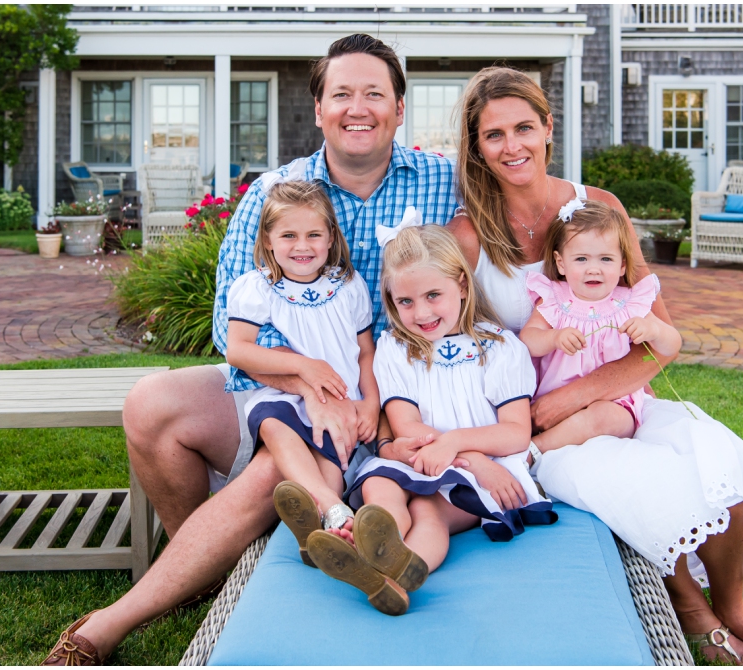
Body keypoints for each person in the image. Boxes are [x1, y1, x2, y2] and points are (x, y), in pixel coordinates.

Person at [43, 34, 456, 665]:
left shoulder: (444, 183)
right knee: (152, 403)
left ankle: (110, 623)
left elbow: (528, 197)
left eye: (375, 93)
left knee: (276, 465)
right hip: (287, 384)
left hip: (394, 398)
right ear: (317, 108)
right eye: (341, 93)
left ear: (400, 108)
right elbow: (228, 328)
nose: (358, 107)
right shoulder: (275, 194)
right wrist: (309, 388)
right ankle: (206, 564)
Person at [446, 66, 743, 666]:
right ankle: (694, 611)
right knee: (650, 490)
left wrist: (578, 401)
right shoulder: (468, 236)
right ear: (477, 147)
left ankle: (736, 609)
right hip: (535, 420)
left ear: (549, 127)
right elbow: (457, 347)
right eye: (494, 135)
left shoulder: (599, 208)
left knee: (723, 478)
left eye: (524, 127)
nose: (512, 146)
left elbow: (655, 337)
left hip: (615, 399)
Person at [304, 222, 556, 616]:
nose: (420, 313)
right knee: (380, 485)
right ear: (390, 298)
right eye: (405, 301)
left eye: (433, 295)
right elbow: (406, 426)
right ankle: (369, 543)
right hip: (418, 457)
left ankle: (394, 581)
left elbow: (515, 432)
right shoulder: (396, 349)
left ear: (461, 283)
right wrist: (441, 450)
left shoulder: (499, 347)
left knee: (428, 511)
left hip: (482, 470)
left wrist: (461, 451)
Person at [225, 180, 377, 564]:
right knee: (275, 425)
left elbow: (364, 352)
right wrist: (303, 366)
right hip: (285, 395)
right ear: (268, 239)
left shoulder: (348, 285)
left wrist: (372, 403)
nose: (302, 246)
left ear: (330, 238)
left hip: (341, 401)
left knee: (333, 459)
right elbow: (238, 350)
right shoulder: (257, 287)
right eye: (289, 235)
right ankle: (333, 508)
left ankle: (321, 538)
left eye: (313, 234)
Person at [518, 198, 681, 455]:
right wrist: (554, 337)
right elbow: (528, 339)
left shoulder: (628, 303)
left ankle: (535, 451)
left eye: (606, 259)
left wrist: (654, 331)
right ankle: (552, 440)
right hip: (556, 402)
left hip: (613, 403)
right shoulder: (555, 299)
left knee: (606, 417)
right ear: (561, 263)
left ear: (622, 265)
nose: (593, 269)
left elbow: (673, 344)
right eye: (581, 259)